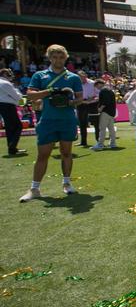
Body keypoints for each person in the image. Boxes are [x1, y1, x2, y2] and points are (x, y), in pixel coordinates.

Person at [19, 44, 83, 202]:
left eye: (61, 57)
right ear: (49, 58)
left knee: (66, 153)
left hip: (67, 119)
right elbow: (30, 96)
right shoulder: (40, 76)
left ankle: (67, 184)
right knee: (43, 154)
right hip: (47, 120)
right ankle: (34, 189)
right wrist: (50, 92)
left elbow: (79, 98)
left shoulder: (73, 77)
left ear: (65, 58)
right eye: (54, 57)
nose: (58, 60)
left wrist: (68, 103)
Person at [0, 68, 25, 155]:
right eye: (9, 75)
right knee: (18, 126)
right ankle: (12, 146)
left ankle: (12, 149)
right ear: (4, 75)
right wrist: (16, 88)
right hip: (8, 106)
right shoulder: (5, 83)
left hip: (3, 106)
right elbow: (18, 97)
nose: (11, 76)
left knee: (9, 127)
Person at [90, 79, 117, 150]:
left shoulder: (104, 90)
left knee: (102, 128)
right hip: (111, 112)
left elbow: (105, 101)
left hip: (105, 112)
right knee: (111, 129)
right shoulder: (109, 90)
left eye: (96, 86)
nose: (96, 88)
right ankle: (113, 143)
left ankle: (100, 144)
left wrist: (100, 109)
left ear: (99, 84)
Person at [76, 70, 98, 147]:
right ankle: (83, 142)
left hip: (92, 103)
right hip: (81, 104)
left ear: (86, 76)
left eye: (83, 77)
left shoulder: (92, 83)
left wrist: (92, 100)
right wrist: (80, 101)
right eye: (80, 78)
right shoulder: (76, 84)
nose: (83, 79)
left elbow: (98, 94)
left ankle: (98, 141)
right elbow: (74, 95)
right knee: (82, 123)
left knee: (96, 123)